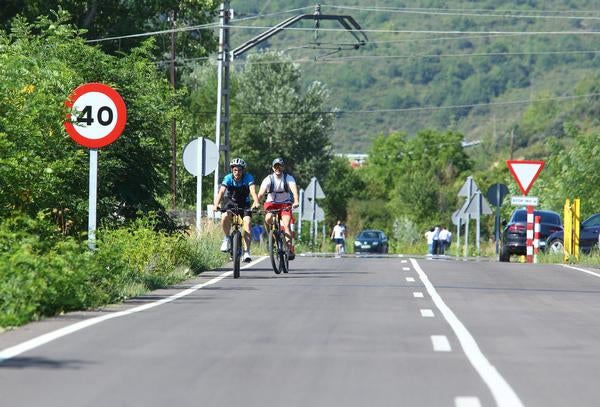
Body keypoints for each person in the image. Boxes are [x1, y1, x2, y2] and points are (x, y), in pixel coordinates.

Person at [213, 157, 260, 262]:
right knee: (225, 216)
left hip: (245, 204)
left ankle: (247, 252)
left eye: (239, 170)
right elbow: (221, 192)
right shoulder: (228, 178)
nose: (237, 172)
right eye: (235, 170)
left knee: (247, 224)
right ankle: (226, 238)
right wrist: (216, 204)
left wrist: (256, 202)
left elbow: (253, 191)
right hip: (231, 203)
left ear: (243, 170)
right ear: (232, 170)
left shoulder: (248, 178)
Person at [257, 157, 300, 260]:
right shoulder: (268, 179)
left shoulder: (288, 178)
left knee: (286, 226)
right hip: (271, 204)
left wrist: (296, 201)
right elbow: (261, 193)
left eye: (280, 166)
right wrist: (256, 203)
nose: (278, 168)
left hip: (285, 204)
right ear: (273, 168)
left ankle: (289, 249)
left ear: (283, 167)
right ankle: (271, 236)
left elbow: (294, 191)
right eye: (276, 166)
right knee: (268, 219)